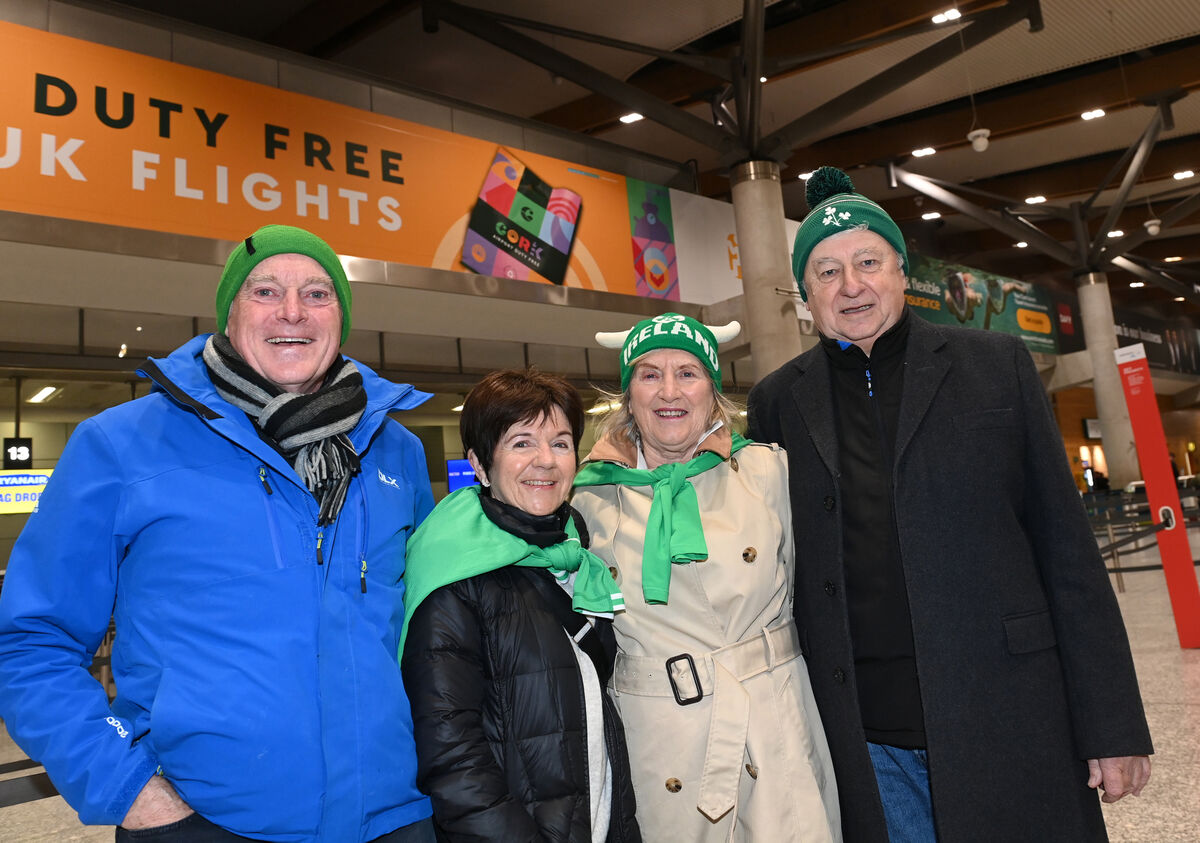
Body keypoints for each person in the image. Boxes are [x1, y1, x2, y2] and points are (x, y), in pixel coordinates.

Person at [747, 167, 1153, 842]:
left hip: (1006, 711)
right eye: (826, 271)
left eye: (868, 262)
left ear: (901, 271)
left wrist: (1110, 723)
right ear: (804, 295)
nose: (851, 285)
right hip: (865, 738)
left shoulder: (997, 366)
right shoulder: (778, 401)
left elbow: (1066, 552)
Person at [0, 225, 437, 842]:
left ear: (341, 315)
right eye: (265, 291)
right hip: (204, 822)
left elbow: (435, 627)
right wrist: (129, 792)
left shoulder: (396, 450)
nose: (293, 311)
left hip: (397, 818)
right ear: (230, 314)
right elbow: (29, 643)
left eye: (317, 293)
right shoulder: (120, 446)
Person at [572, 314, 841, 842]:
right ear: (628, 395)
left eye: (687, 373)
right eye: (649, 375)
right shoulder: (588, 498)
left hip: (772, 719)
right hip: (661, 737)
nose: (669, 391)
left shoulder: (769, 472)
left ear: (713, 391)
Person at [400, 368, 640, 842]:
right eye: (522, 443)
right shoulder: (456, 573)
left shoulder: (573, 553)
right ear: (480, 464)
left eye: (561, 442)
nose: (545, 461)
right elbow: (452, 754)